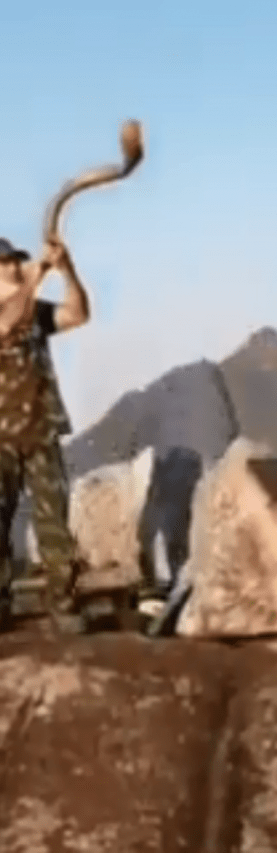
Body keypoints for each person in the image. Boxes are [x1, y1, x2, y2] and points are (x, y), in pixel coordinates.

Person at [0, 235, 90, 633]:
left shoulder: (34, 311)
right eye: (5, 263)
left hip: (41, 430)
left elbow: (78, 314)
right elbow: (5, 324)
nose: (13, 267)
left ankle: (63, 603)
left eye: (15, 261)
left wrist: (67, 271)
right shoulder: (17, 306)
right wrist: (39, 272)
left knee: (53, 521)